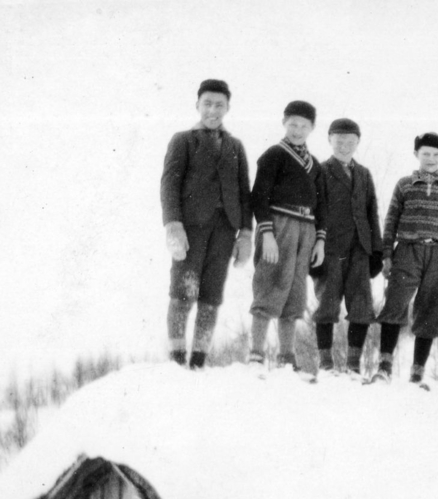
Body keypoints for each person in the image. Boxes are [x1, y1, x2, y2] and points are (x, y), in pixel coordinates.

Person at [159, 79, 253, 369]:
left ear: (227, 108)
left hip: (225, 230)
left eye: (219, 105)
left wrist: (246, 234)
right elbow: (169, 184)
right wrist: (173, 225)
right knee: (183, 292)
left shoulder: (235, 146)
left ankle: (199, 359)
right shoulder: (183, 140)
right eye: (208, 103)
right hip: (191, 229)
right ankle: (176, 359)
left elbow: (244, 192)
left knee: (211, 295)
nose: (213, 110)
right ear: (198, 105)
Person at [373, 132, 438, 385]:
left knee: (431, 311)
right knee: (395, 304)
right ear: (416, 155)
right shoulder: (404, 184)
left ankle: (417, 373)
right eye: (426, 153)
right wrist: (388, 255)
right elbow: (390, 221)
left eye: (436, 154)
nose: (431, 158)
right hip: (408, 250)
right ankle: (384, 366)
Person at [248, 100, 328, 373]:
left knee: (295, 291)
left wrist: (320, 239)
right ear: (284, 123)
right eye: (292, 124)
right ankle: (256, 354)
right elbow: (259, 196)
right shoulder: (274, 154)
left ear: (312, 128)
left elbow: (322, 206)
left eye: (303, 126)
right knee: (271, 283)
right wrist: (267, 233)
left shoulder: (315, 165)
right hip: (279, 224)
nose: (297, 130)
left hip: (306, 228)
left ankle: (287, 357)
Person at [312, 118, 382, 379]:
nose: (344, 146)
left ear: (357, 143)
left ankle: (353, 366)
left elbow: (371, 211)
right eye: (339, 141)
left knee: (362, 306)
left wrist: (376, 250)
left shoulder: (363, 173)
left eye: (350, 142)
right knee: (327, 304)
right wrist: (314, 249)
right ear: (330, 140)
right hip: (330, 249)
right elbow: (314, 212)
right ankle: (326, 364)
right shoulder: (321, 171)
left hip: (360, 249)